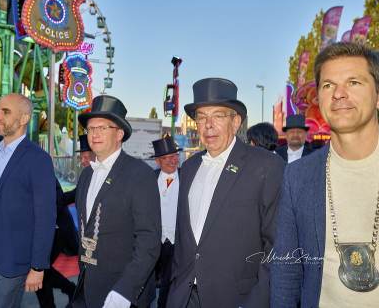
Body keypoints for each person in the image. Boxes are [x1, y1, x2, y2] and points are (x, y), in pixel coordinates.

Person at [271, 42, 379, 307]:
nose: (339, 94)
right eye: (328, 85)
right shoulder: (297, 177)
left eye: (354, 82)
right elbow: (286, 273)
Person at [167, 78, 285, 308]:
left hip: (236, 299)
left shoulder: (266, 166)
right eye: (201, 117)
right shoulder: (189, 169)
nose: (208, 125)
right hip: (183, 296)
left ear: (235, 122)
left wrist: (256, 301)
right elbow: (184, 238)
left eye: (218, 116)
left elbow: (277, 246)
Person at [72, 95, 161, 308]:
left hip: (122, 294)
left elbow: (148, 241)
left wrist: (125, 291)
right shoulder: (86, 175)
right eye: (91, 128)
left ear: (119, 134)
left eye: (103, 128)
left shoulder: (140, 175)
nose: (95, 134)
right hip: (86, 289)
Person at [0, 93, 56, 308]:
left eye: (6, 111)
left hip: (12, 258)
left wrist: (38, 267)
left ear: (24, 118)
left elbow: (45, 216)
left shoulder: (38, 159)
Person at [36, 135, 94, 308]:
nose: (82, 161)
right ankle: (67, 290)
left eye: (86, 156)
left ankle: (69, 289)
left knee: (40, 268)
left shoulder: (98, 175)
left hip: (60, 230)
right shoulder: (87, 175)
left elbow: (61, 199)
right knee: (40, 268)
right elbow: (70, 196)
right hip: (52, 230)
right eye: (81, 157)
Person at [151, 136, 181, 308]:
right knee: (146, 279)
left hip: (177, 241)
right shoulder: (149, 179)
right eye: (166, 157)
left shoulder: (187, 177)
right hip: (154, 240)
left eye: (175, 155)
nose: (172, 160)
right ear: (157, 161)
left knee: (168, 283)